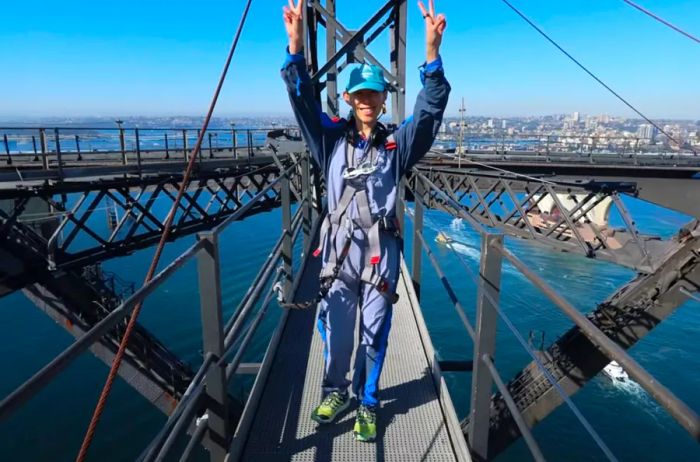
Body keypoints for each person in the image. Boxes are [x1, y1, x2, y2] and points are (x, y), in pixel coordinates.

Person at [281, 0, 449, 442]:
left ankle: (368, 401)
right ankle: (336, 390)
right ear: (351, 100)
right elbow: (301, 101)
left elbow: (429, 115)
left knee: (374, 334)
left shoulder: (397, 145)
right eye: (360, 95)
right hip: (338, 252)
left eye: (375, 93)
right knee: (337, 334)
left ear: (381, 98)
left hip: (379, 255)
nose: (368, 100)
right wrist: (295, 47)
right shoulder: (328, 141)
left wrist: (431, 56)